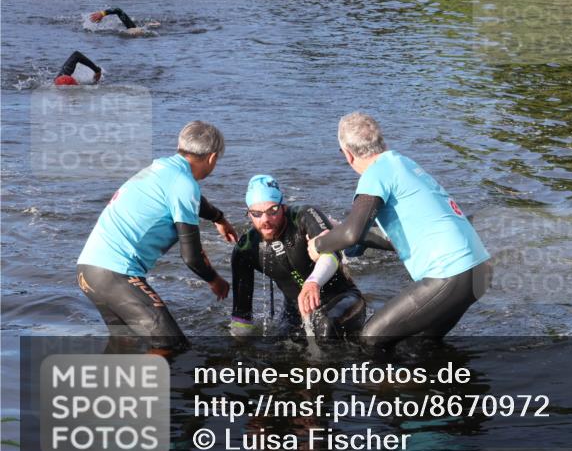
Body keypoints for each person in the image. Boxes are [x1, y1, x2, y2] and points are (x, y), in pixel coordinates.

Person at [308, 112, 491, 350]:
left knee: (372, 339)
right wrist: (354, 239)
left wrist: (319, 245)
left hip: (451, 274)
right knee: (421, 345)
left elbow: (352, 233)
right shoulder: (403, 164)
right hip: (479, 270)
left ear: (347, 154)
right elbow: (394, 236)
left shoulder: (375, 174)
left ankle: (387, 386)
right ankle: (439, 385)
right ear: (381, 142)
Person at [77, 121, 237, 353]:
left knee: (125, 346)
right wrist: (215, 280)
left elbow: (191, 201)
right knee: (171, 345)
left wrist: (218, 218)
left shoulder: (162, 168)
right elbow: (191, 257)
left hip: (88, 270)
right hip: (115, 274)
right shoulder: (184, 184)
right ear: (212, 158)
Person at [230, 175, 390, 341]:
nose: (265, 220)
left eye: (273, 211)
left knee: (326, 327)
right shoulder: (246, 249)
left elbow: (332, 254)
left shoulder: (303, 215)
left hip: (342, 298)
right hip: (294, 311)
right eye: (257, 213)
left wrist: (313, 282)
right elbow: (241, 317)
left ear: (283, 207)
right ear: (249, 214)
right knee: (280, 344)